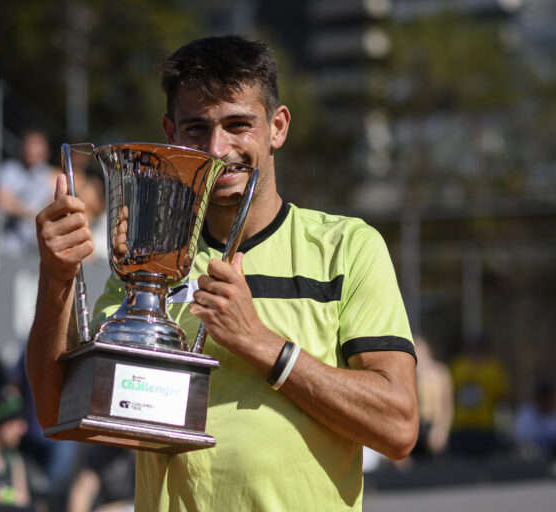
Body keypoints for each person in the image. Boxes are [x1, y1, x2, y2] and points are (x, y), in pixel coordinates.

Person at [26, 35, 418, 511]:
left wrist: (259, 344)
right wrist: (56, 279)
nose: (217, 148)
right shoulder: (148, 259)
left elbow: (398, 427)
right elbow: (55, 411)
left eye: (238, 124)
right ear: (170, 132)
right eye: (196, 128)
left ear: (277, 127)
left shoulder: (348, 247)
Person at [0, 130, 60, 254]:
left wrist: (17, 206)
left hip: (40, 245)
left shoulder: (52, 175)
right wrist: (33, 212)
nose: (32, 151)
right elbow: (1, 202)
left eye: (37, 146)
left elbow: (53, 207)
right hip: (10, 244)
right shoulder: (9, 169)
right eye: (30, 145)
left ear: (46, 152)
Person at [449, 333, 510, 457]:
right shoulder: (458, 367)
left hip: (484, 426)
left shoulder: (494, 369)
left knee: (484, 468)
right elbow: (449, 393)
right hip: (461, 426)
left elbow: (502, 396)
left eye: (480, 348)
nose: (477, 352)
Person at [412, 335, 453, 457]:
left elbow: (447, 405)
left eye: (420, 348)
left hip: (433, 427)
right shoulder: (409, 373)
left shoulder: (439, 372)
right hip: (415, 428)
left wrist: (441, 430)